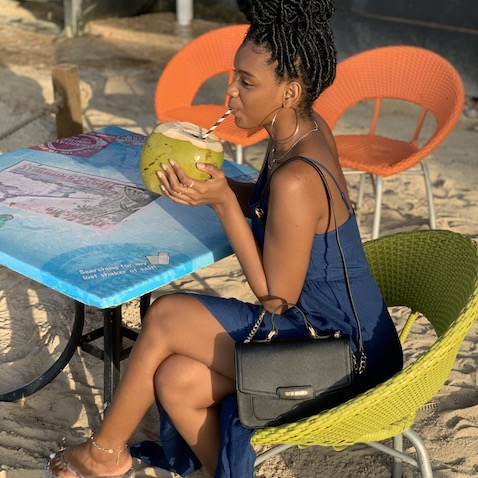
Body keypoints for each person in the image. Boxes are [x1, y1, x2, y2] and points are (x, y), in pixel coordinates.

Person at [46, 0, 403, 477]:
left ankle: (105, 454)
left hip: (341, 354)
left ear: (290, 91)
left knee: (168, 315)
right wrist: (215, 187)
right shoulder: (303, 131)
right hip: (332, 330)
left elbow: (276, 297)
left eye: (247, 83)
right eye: (233, 76)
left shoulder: (298, 176)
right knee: (176, 380)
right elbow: (269, 203)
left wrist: (221, 203)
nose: (230, 93)